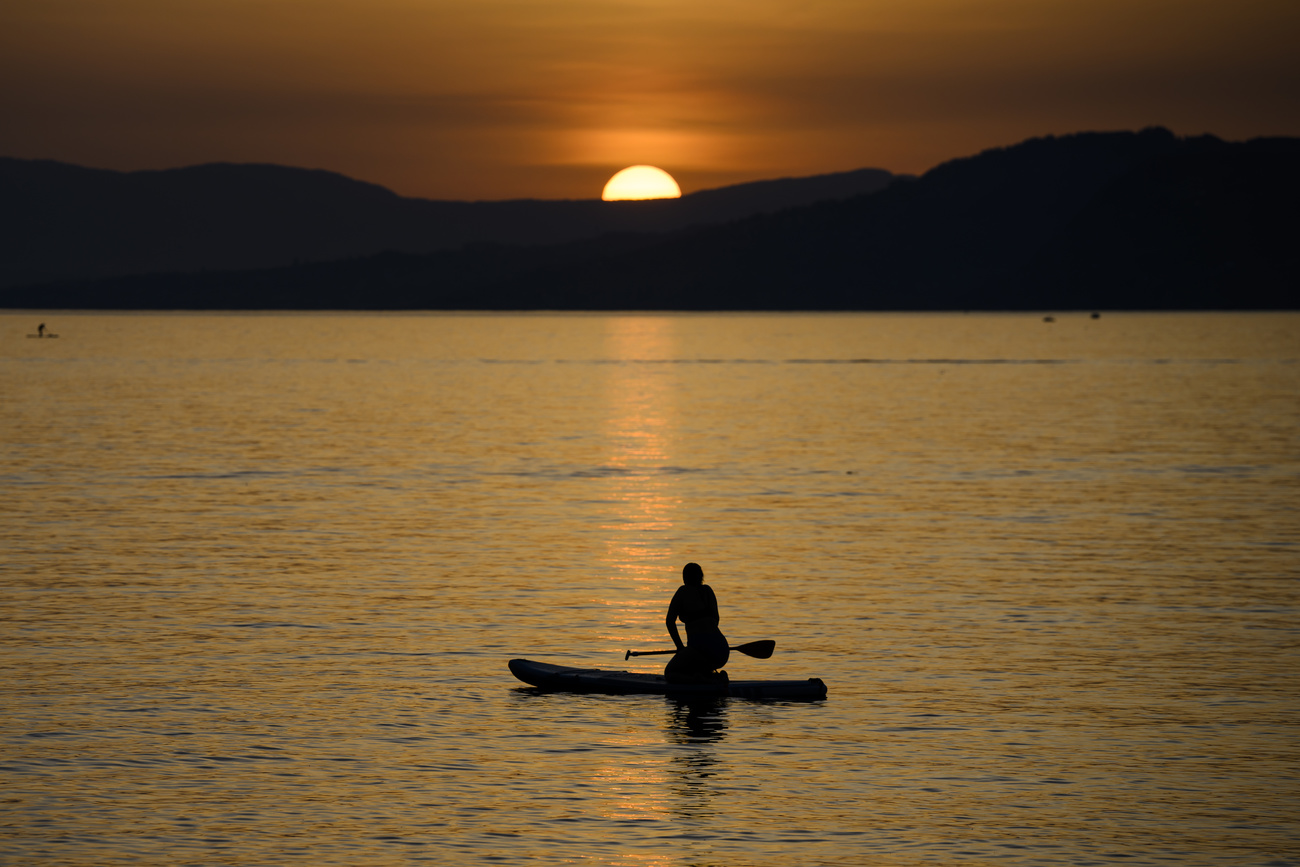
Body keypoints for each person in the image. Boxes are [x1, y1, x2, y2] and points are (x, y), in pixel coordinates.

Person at [664, 562, 729, 683]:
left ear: (685, 578)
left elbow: (669, 621)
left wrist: (680, 647)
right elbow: (716, 621)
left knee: (669, 673)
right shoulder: (708, 591)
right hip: (722, 650)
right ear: (701, 577)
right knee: (696, 665)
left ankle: (699, 679)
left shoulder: (682, 592)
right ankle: (716, 677)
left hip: (700, 649)